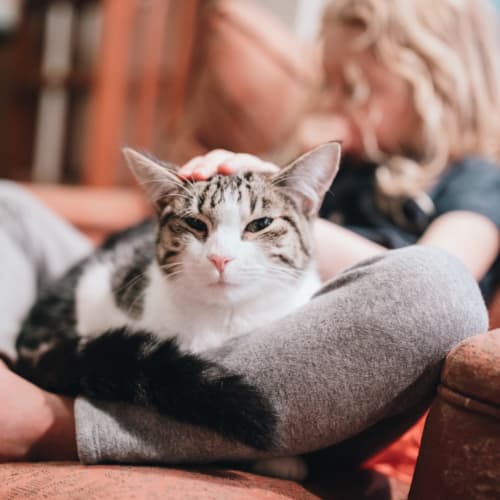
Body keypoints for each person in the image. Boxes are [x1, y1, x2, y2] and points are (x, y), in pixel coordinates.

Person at [0, 0, 498, 472]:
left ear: (437, 83)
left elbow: (450, 270)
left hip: (299, 369)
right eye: (329, 82)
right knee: (10, 204)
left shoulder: (475, 180)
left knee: (438, 289)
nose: (334, 101)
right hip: (187, 302)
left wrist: (296, 210)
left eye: (357, 87)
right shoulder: (336, 161)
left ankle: (64, 425)